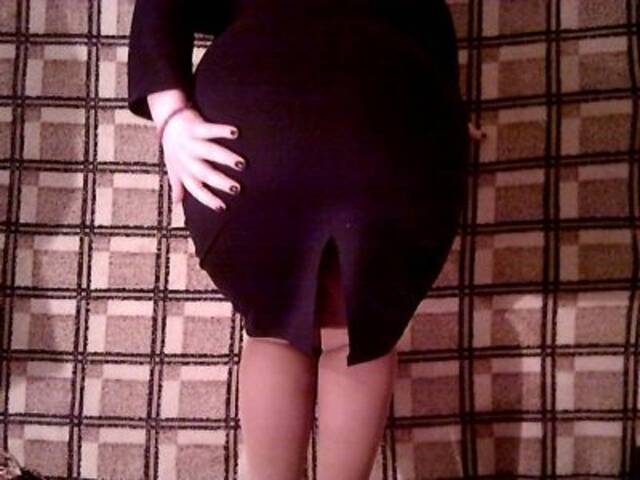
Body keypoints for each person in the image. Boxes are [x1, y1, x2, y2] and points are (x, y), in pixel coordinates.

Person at [127, 1, 484, 478]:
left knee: (275, 329)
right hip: (398, 116)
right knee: (361, 333)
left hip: (256, 120)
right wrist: (446, 105)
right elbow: (428, 17)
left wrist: (171, 115)